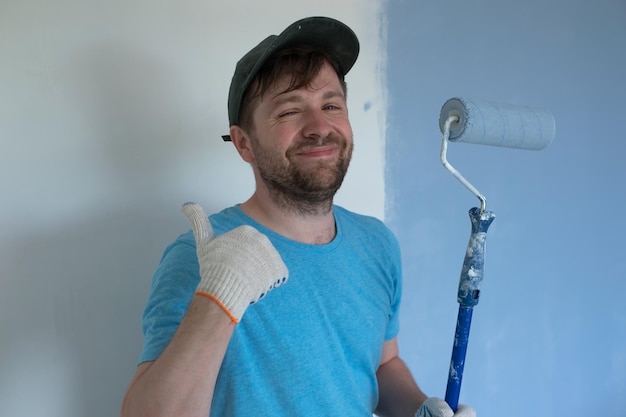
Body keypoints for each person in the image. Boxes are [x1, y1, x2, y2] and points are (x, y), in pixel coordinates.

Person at [121, 16, 476, 417]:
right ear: (243, 143)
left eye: (330, 105)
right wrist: (218, 297)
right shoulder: (201, 256)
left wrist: (419, 409)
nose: (319, 127)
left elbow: (381, 364)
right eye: (290, 111)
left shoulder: (376, 243)